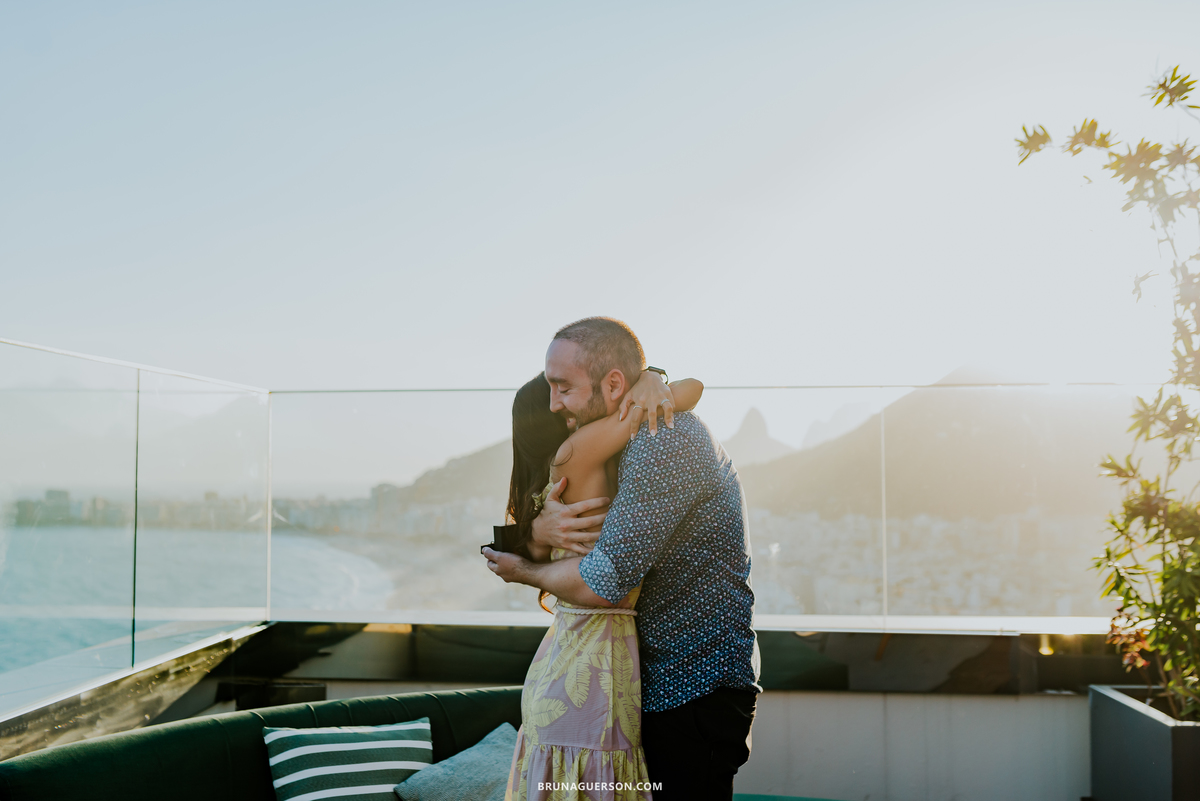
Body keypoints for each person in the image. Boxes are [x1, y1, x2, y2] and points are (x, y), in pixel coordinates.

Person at [485, 317, 760, 801]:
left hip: (692, 685)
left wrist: (524, 570)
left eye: (563, 388)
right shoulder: (625, 443)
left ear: (613, 384)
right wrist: (536, 531)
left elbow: (603, 584)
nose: (556, 404)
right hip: (650, 683)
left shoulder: (662, 440)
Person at [496, 365, 704, 801]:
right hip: (593, 666)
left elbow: (508, 551)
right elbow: (693, 390)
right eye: (558, 395)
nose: (564, 401)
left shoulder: (556, 475)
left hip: (565, 660)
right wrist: (652, 382)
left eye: (565, 390)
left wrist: (651, 374)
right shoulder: (578, 450)